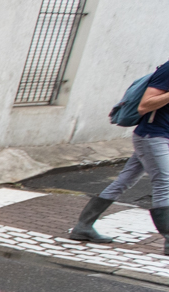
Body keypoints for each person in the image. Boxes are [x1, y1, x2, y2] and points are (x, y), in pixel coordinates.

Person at [70, 57, 169, 252]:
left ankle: (83, 227)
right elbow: (145, 105)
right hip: (152, 136)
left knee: (124, 181)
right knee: (165, 181)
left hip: (161, 137)